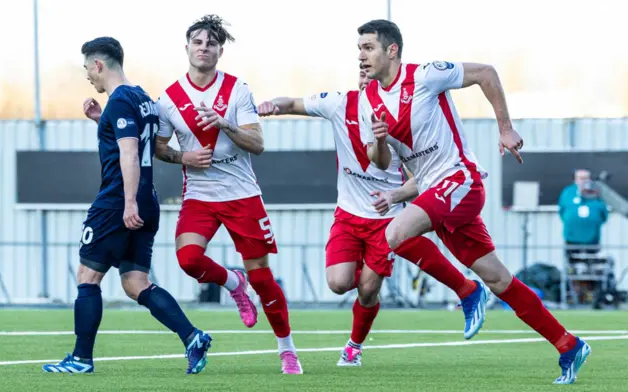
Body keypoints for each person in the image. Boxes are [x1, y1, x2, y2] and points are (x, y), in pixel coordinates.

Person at [356, 19, 591, 384]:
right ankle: (568, 344)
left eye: (368, 47)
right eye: (359, 49)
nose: (361, 55)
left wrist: (505, 127)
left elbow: (486, 73)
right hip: (435, 193)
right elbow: (380, 160)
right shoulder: (367, 98)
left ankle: (467, 291)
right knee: (500, 279)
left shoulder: (426, 75)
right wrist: (381, 142)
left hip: (460, 180)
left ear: (392, 50)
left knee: (393, 233)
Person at [257, 65, 487, 367]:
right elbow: (294, 103)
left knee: (368, 290)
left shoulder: (401, 113)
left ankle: (354, 346)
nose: (369, 82)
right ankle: (372, 270)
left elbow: (410, 171)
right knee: (338, 283)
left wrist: (394, 186)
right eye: (364, 75)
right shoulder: (339, 103)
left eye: (374, 77)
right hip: (349, 216)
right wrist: (272, 106)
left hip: (387, 218)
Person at [42, 37, 211, 375]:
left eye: (88, 68)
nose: (88, 76)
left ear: (98, 65)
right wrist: (100, 119)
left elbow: (130, 151)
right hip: (148, 201)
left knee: (88, 277)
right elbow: (133, 137)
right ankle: (192, 336)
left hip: (119, 202)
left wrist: (128, 203)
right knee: (135, 283)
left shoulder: (120, 100)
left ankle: (80, 359)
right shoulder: (142, 98)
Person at [154, 15, 302, 374]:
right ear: (187, 47)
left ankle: (287, 349)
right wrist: (183, 156)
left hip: (241, 195)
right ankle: (234, 282)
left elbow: (258, 143)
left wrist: (224, 123)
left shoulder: (237, 90)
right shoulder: (169, 97)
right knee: (188, 260)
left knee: (264, 279)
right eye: (197, 42)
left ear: (221, 50)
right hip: (200, 196)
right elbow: (159, 147)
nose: (203, 48)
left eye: (211, 43)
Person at [558, 169, 608, 257]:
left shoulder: (596, 192)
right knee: (572, 266)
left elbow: (603, 213)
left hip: (592, 239)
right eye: (581, 178)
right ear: (575, 180)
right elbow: (562, 211)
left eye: (586, 178)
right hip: (572, 239)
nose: (583, 181)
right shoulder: (568, 192)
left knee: (592, 265)